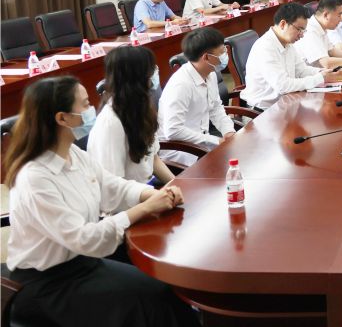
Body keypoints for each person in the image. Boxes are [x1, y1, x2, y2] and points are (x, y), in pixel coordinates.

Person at [3, 77, 197, 327]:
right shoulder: (34, 178)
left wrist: (149, 194)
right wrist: (143, 209)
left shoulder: (73, 153)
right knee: (154, 300)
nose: (91, 109)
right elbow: (84, 238)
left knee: (166, 288)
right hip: (48, 283)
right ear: (62, 118)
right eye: (85, 105)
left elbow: (110, 185)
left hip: (81, 262)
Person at [87, 46, 174, 185]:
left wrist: (177, 184)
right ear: (136, 78)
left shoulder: (141, 106)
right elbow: (113, 185)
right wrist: (152, 195)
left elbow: (153, 159)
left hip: (147, 189)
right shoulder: (110, 122)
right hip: (130, 196)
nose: (155, 74)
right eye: (151, 70)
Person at [239, 3, 342, 111]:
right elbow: (283, 86)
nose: (302, 35)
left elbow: (301, 70)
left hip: (286, 103)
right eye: (299, 29)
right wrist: (320, 78)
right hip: (263, 111)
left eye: (303, 30)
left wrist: (322, 72)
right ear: (283, 24)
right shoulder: (265, 47)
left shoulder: (288, 44)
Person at [157, 27, 236, 167]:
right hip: (180, 151)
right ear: (206, 57)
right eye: (222, 52)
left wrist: (229, 132)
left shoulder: (210, 74)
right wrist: (215, 141)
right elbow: (173, 130)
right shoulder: (181, 84)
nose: (225, 54)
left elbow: (216, 108)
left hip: (201, 142)